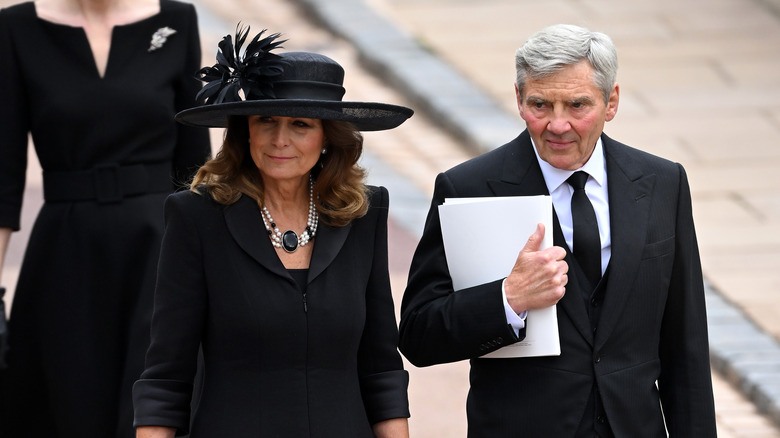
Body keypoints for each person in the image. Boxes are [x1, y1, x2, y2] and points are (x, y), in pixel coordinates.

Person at [399, 23, 717, 437]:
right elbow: (419, 334)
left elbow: (686, 348)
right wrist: (506, 299)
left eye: (577, 105)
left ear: (611, 101)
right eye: (540, 105)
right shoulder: (468, 188)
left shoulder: (662, 183)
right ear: (518, 98)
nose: (558, 125)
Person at [132, 27, 414, 438]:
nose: (280, 140)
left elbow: (381, 366)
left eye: (300, 124)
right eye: (266, 120)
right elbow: (166, 376)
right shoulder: (197, 217)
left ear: (327, 138)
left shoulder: (362, 215)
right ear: (246, 131)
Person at [0, 0, 211, 435]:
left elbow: (196, 166)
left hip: (160, 250)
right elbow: (4, 177)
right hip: (63, 252)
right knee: (63, 404)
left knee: (153, 406)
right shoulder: (15, 27)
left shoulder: (176, 19)